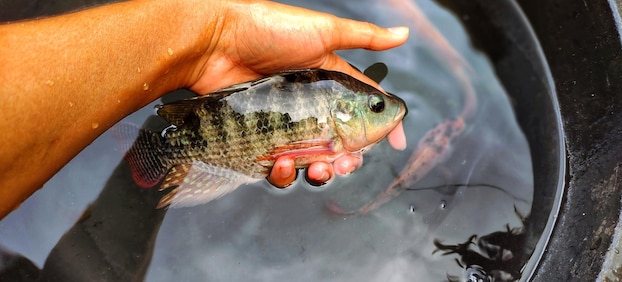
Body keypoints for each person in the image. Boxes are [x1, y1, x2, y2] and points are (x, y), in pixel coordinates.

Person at [0, 0, 408, 219]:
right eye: (375, 106)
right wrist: (214, 35)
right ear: (343, 114)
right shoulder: (333, 130)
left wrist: (217, 36)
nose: (386, 110)